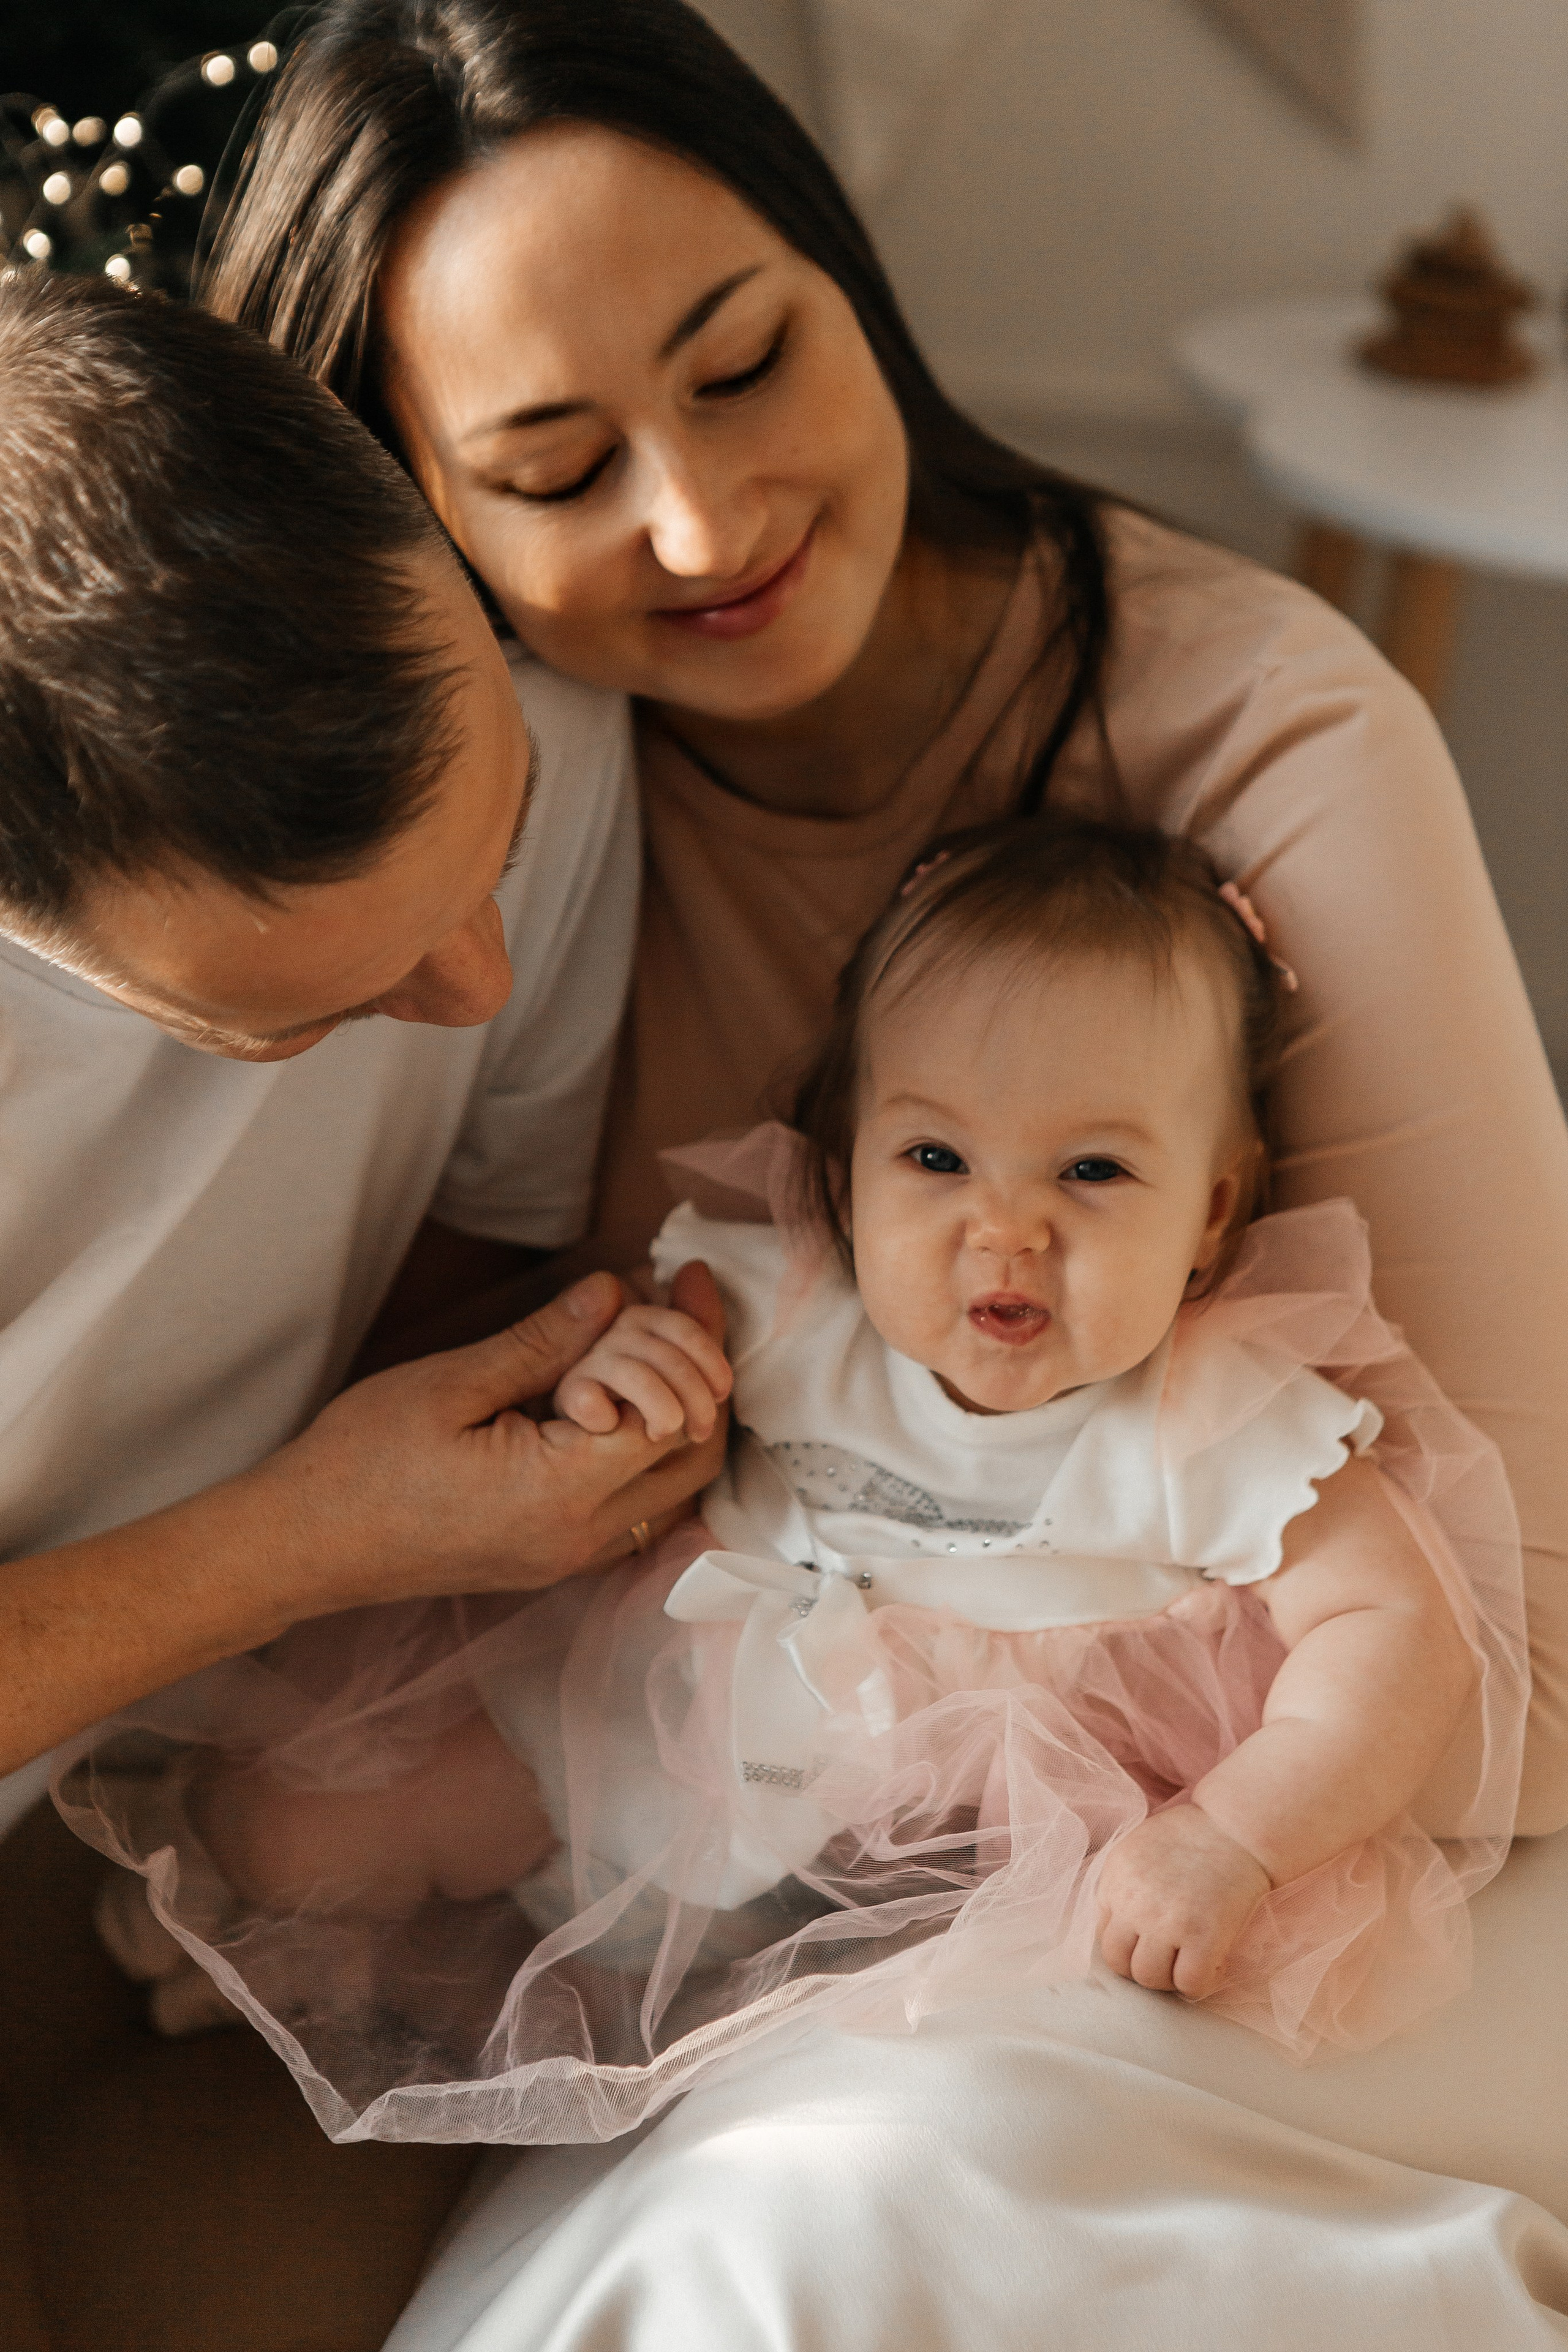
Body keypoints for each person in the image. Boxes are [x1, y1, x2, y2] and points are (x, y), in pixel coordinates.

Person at [15, 0, 1568, 2340]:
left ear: (851, 278)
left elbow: (1518, 1626)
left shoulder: (1260, 738)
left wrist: (1106, 1811)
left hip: (1204, 1835)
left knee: (838, 2243)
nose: (699, 523)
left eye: (745, 365)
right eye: (551, 468)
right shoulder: (492, 784)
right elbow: (471, 1380)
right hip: (713, 1786)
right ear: (416, 520)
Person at [77, 818, 1525, 2144]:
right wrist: (615, 1396)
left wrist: (1231, 1837)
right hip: (656, 1732)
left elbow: (1395, 1632)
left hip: (970, 1889)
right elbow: (601, 1444)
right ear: (844, 1174)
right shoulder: (779, 1307)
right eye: (936, 1156)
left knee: (975, 2113)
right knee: (316, 1823)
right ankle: (267, 1956)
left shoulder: (1213, 1415)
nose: (1002, 1231)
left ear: (1210, 1212)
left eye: (1090, 1172)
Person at [0, 267, 721, 2344]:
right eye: (330, 1005)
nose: (474, 986)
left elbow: (501, 1261)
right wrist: (316, 1535)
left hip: (163, 1793)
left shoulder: (547, 742)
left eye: (485, 851)